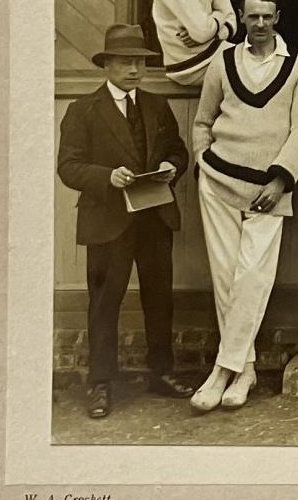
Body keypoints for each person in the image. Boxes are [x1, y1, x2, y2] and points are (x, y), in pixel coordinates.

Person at [56, 24, 195, 419]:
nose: (134, 69)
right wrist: (107, 177)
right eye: (125, 61)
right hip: (107, 221)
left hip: (154, 217)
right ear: (107, 64)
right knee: (104, 303)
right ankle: (100, 383)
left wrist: (172, 166)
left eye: (140, 62)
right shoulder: (83, 110)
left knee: (159, 298)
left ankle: (161, 372)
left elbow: (178, 151)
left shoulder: (156, 106)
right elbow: (69, 167)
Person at [188, 0, 298, 413]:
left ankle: (224, 370)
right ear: (241, 18)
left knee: (252, 279)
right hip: (218, 182)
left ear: (278, 16)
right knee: (226, 279)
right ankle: (243, 369)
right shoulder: (222, 61)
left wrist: (281, 180)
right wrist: (202, 160)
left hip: (267, 190)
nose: (259, 25)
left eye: (267, 17)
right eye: (252, 17)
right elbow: (203, 120)